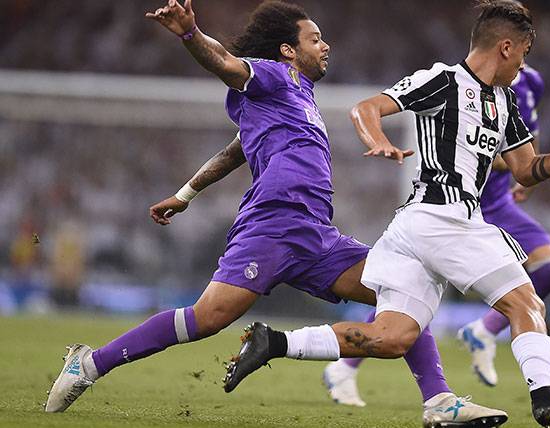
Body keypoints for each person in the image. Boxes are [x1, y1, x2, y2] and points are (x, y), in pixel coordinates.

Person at [45, 1, 506, 426]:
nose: (325, 46)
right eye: (315, 39)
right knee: (207, 319)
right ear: (288, 51)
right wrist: (190, 34)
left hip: (316, 235)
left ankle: (440, 400)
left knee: (402, 288)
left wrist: (185, 192)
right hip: (273, 224)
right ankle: (87, 363)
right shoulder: (272, 75)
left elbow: (235, 151)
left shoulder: (296, 95)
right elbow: (225, 63)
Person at [222, 1, 550, 426]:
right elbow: (366, 107)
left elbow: (526, 169)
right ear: (505, 47)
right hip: (443, 217)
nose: (523, 64)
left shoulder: (504, 103)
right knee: (526, 302)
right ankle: (546, 400)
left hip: (415, 229)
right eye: (523, 52)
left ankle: (272, 343)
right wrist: (378, 140)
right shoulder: (443, 80)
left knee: (393, 337)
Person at [323, 63, 550, 407]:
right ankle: (350, 365)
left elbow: (525, 149)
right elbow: (477, 149)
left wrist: (536, 166)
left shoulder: (525, 87)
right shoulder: (454, 82)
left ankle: (482, 333)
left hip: (491, 203)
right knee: (410, 295)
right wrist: (510, 162)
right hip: (448, 205)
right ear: (506, 44)